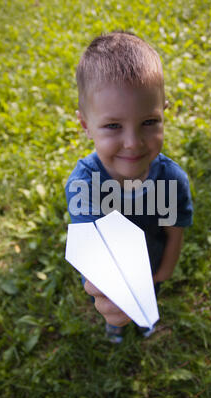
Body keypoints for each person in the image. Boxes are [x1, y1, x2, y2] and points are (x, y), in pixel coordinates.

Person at [65, 30, 193, 343]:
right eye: (113, 126)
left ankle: (145, 321)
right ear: (85, 125)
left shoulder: (171, 180)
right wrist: (105, 297)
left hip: (152, 269)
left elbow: (174, 231)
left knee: (148, 304)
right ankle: (116, 326)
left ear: (164, 111)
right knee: (117, 314)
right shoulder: (85, 185)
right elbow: (92, 251)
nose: (133, 143)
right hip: (112, 282)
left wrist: (162, 273)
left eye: (149, 122)